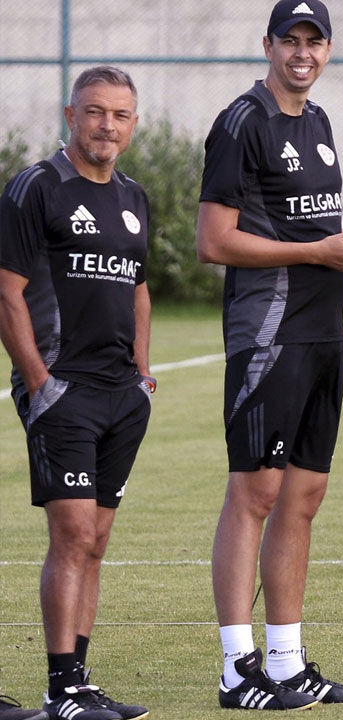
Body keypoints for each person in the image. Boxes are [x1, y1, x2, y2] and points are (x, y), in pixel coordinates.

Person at [196, 0, 343, 710]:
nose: (302, 52)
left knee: (305, 495)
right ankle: (238, 669)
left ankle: (288, 663)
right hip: (268, 333)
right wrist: (316, 252)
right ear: (268, 45)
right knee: (254, 491)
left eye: (313, 41)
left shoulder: (317, 123)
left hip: (323, 331)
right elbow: (215, 241)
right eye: (289, 40)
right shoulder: (241, 122)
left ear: (327, 51)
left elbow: (315, 230)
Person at [0, 65, 153, 720]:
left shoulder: (134, 196)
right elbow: (7, 293)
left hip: (123, 394)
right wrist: (39, 383)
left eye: (119, 115)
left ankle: (81, 684)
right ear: (71, 116)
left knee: (96, 541)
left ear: (132, 124)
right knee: (72, 534)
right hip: (64, 391)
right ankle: (61, 689)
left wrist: (144, 375)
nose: (106, 125)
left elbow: (140, 288)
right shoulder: (37, 187)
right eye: (94, 112)